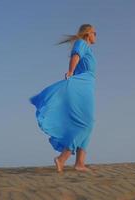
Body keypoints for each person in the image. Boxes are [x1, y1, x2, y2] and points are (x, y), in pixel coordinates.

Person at [29, 24, 97, 173]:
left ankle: (80, 163)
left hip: (87, 87)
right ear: (87, 34)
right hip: (80, 87)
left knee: (87, 124)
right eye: (94, 33)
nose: (96, 36)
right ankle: (62, 158)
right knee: (87, 123)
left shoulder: (88, 48)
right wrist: (71, 71)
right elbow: (76, 55)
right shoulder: (82, 43)